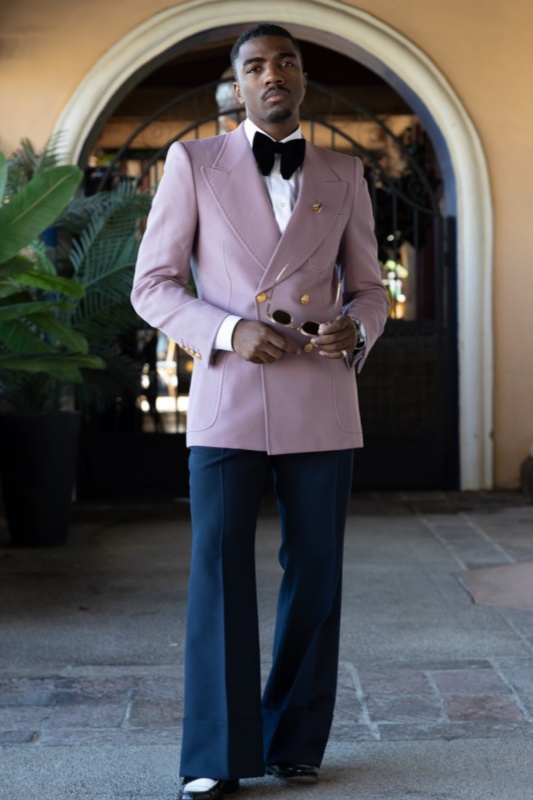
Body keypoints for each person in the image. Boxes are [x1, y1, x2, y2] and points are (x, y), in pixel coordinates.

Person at [131, 23, 389, 800]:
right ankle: (215, 755)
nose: (271, 74)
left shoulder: (344, 171)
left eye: (285, 62)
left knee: (315, 573)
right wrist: (226, 330)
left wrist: (356, 328)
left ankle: (295, 742)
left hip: (319, 393)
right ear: (236, 86)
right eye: (254, 66)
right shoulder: (193, 162)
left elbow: (369, 289)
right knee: (217, 568)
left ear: (302, 78)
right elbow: (153, 285)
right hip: (229, 394)